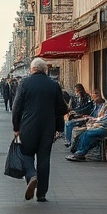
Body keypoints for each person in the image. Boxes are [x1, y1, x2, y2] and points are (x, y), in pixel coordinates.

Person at [12, 57, 69, 202]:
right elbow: (61, 109)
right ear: (46, 70)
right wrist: (59, 128)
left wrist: (16, 128)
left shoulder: (24, 84)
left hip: (28, 127)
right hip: (47, 128)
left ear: (32, 70)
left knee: (26, 154)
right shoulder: (54, 85)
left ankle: (31, 175)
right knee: (44, 159)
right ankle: (42, 193)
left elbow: (16, 108)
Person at [66, 87, 107, 161]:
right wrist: (99, 122)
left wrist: (99, 123)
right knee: (86, 135)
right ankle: (79, 152)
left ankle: (80, 153)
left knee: (87, 134)